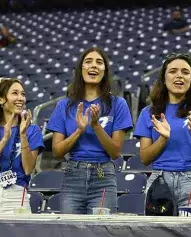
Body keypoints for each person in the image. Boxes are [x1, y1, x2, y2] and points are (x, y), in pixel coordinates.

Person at [134, 53, 191, 217]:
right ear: (164, 78)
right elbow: (145, 158)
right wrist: (163, 138)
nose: (179, 76)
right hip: (160, 182)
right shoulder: (149, 112)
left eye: (185, 72)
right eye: (173, 71)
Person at [47, 47, 133, 214]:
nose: (93, 66)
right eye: (88, 62)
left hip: (104, 177)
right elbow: (57, 152)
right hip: (73, 176)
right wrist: (79, 130)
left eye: (99, 62)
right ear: (81, 69)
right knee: (71, 234)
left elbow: (115, 152)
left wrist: (95, 126)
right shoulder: (64, 105)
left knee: (101, 235)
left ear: (105, 71)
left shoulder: (118, 104)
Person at [0, 78, 44, 213]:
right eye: (15, 93)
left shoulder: (32, 130)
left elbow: (28, 169)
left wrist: (22, 136)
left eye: (23, 94)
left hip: (18, 193)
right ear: (0, 99)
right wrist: (4, 139)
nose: (20, 98)